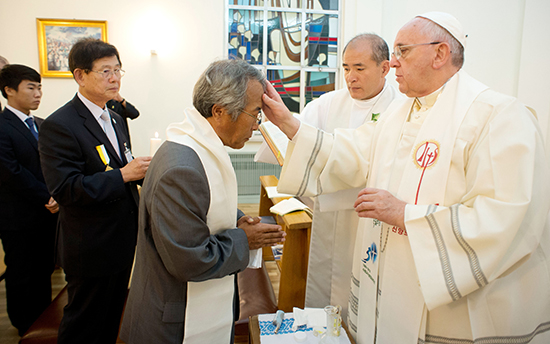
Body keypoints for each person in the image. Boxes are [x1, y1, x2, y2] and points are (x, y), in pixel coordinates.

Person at [262, 11, 550, 344]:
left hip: (452, 309)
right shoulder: (398, 113)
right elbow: (352, 151)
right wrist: (289, 123)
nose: (394, 63)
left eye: (403, 51)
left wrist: (405, 214)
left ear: (440, 53)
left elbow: (506, 216)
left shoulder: (498, 116)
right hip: (389, 281)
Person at [120, 59, 286, 344]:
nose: (258, 126)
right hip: (173, 323)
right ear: (219, 111)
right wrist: (245, 239)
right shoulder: (181, 167)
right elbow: (189, 259)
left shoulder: (195, 145)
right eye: (255, 114)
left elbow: (203, 201)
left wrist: (235, 219)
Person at [258, 33, 399, 319]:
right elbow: (300, 142)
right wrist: (281, 126)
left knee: (362, 287)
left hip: (367, 218)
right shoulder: (329, 103)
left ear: (385, 68)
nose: (350, 77)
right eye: (346, 68)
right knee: (323, 283)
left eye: (359, 68)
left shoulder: (397, 110)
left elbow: (364, 157)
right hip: (326, 214)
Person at [38, 38, 151, 344]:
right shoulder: (60, 125)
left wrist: (148, 172)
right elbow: (66, 189)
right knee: (84, 325)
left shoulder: (113, 117)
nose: (114, 78)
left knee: (112, 317)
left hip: (120, 239)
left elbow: (121, 164)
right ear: (80, 75)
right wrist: (124, 175)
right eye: (105, 71)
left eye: (118, 70)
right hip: (90, 245)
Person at [0, 64, 58, 336]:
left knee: (43, 268)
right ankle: (23, 323)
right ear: (9, 91)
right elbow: (11, 172)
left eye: (40, 88)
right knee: (22, 270)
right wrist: (45, 196)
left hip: (46, 212)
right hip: (18, 214)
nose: (38, 94)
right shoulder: (3, 126)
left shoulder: (41, 124)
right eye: (31, 88)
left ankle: (42, 318)